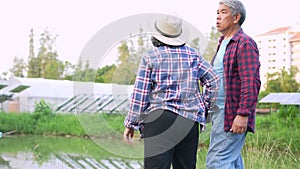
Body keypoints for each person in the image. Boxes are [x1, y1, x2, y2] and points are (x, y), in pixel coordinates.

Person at [123, 14, 220, 169]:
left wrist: (130, 123)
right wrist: (205, 108)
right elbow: (214, 80)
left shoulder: (150, 57)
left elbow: (140, 95)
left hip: (159, 119)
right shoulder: (193, 55)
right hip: (189, 120)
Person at [206, 0, 261, 168]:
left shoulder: (244, 43)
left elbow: (251, 80)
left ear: (236, 17)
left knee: (217, 162)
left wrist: (243, 114)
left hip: (231, 113)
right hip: (218, 112)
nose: (218, 17)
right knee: (232, 162)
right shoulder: (223, 42)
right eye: (217, 12)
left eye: (223, 12)